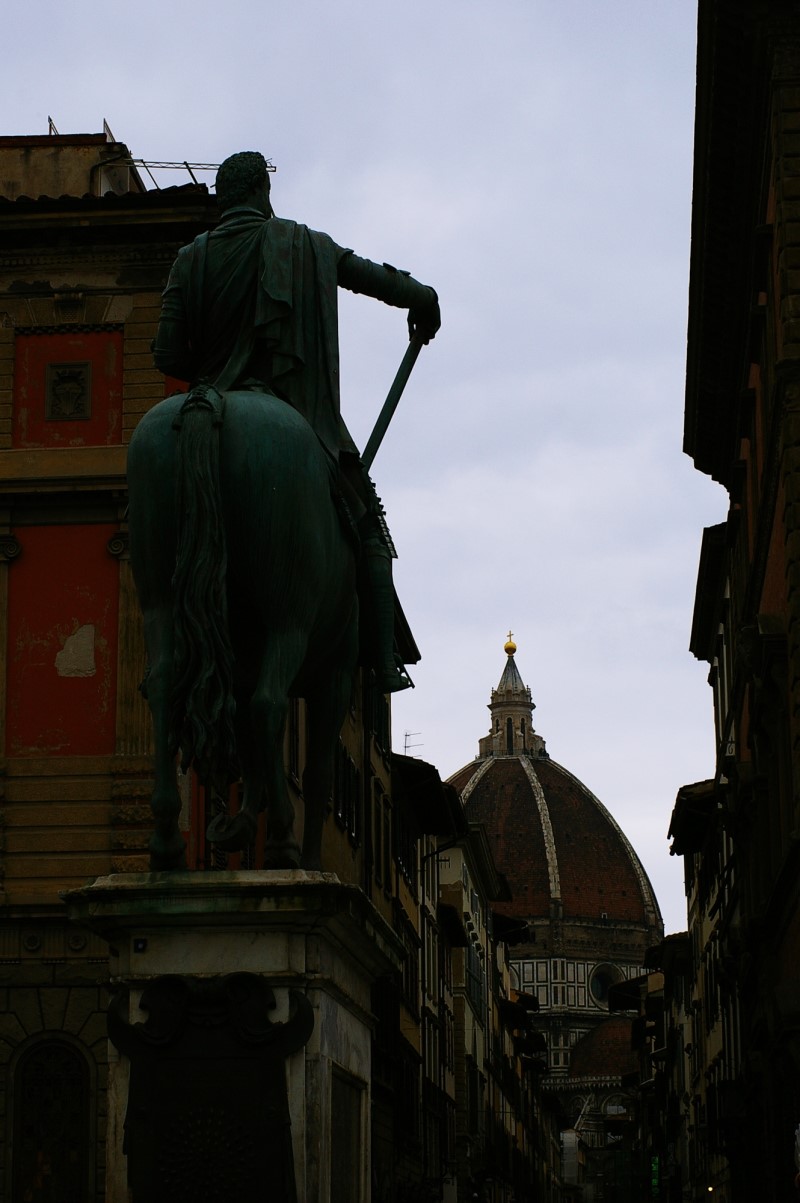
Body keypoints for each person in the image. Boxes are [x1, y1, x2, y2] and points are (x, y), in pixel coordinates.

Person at [153, 150, 440, 692]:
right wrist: (422, 299)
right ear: (264, 193)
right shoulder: (305, 245)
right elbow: (371, 278)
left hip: (203, 401)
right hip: (297, 412)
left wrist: (215, 373)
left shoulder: (190, 259)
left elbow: (166, 355)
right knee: (370, 534)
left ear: (222, 198)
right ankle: (382, 662)